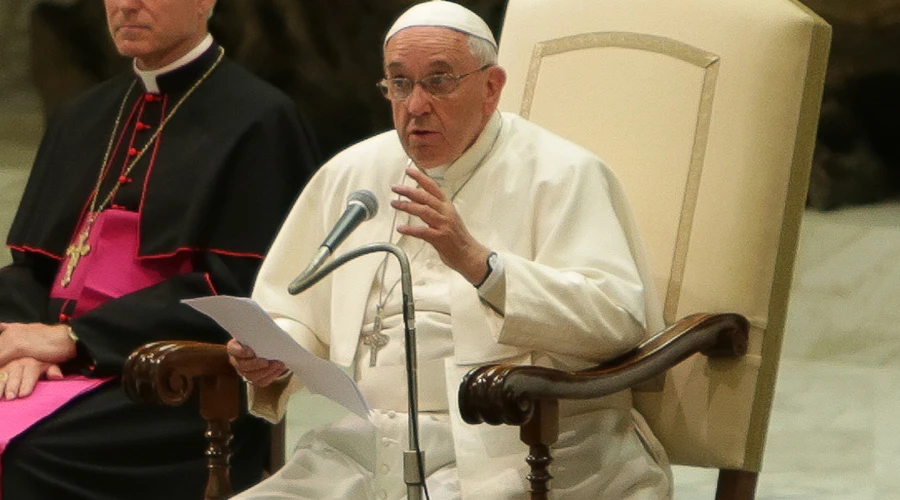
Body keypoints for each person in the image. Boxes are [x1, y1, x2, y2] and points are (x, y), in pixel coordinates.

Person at [229, 1, 672, 498]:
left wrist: (479, 265)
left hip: (522, 448)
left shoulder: (563, 174)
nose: (416, 105)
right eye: (399, 83)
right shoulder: (352, 174)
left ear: (491, 87)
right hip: (371, 446)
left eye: (438, 81)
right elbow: (294, 309)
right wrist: (274, 351)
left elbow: (617, 318)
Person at [0, 0, 319, 498]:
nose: (127, 5)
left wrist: (74, 339)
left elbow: (240, 294)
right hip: (57, 367)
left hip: (173, 388)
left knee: (32, 454)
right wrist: (25, 343)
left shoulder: (261, 120)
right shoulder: (82, 116)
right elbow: (30, 266)